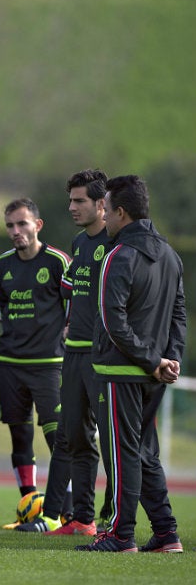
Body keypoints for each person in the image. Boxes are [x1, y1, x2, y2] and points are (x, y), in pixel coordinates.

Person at [76, 175, 186, 553]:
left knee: (123, 456)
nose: (102, 217)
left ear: (121, 212)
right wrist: (169, 360)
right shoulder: (171, 255)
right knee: (144, 453)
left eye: (107, 209)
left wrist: (153, 360)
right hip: (153, 374)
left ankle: (122, 536)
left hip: (119, 373)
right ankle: (167, 533)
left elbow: (112, 320)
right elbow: (180, 317)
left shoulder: (117, 256)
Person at [17, 170, 112, 534]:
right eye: (70, 200)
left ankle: (116, 519)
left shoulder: (116, 242)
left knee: (114, 440)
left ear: (101, 204)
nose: (71, 207)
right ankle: (81, 518)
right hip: (72, 353)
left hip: (102, 357)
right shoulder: (79, 243)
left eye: (80, 201)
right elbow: (72, 291)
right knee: (72, 437)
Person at [0, 198, 70, 526]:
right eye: (10, 225)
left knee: (58, 439)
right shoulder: (1, 266)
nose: (15, 231)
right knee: (19, 438)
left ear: (37, 225)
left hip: (50, 365)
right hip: (10, 363)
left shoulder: (57, 261)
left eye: (22, 224)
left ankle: (65, 511)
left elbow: (72, 310)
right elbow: (1, 309)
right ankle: (31, 504)